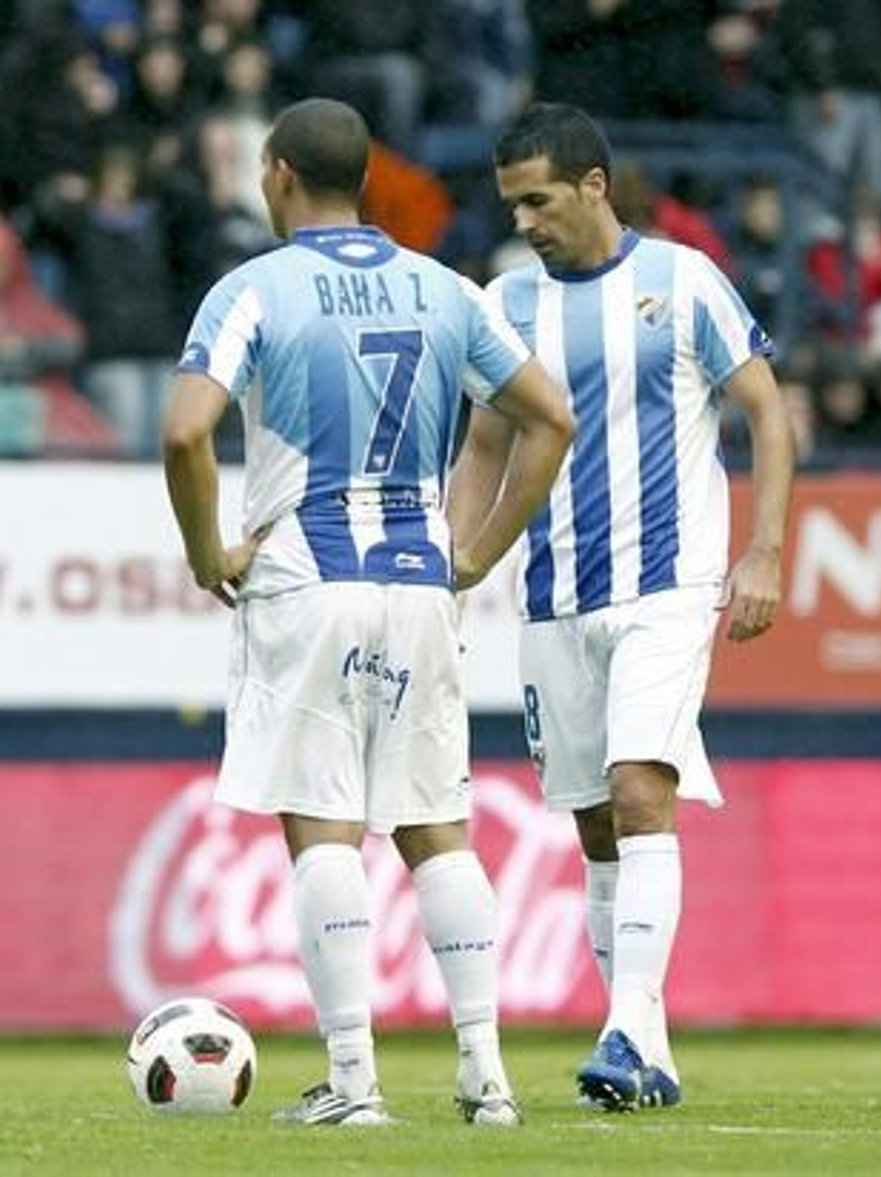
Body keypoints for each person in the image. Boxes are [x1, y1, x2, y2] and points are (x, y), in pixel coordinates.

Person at [162, 98, 576, 1127]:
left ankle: (353, 1082)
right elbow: (550, 418)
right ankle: (487, 1080)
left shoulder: (251, 289)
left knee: (326, 831)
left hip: (309, 572)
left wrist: (206, 550)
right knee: (440, 830)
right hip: (420, 579)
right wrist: (475, 552)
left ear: (278, 174)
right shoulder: (448, 290)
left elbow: (182, 434)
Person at [448, 102, 795, 1113]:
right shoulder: (504, 303)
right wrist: (458, 566)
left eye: (541, 200)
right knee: (598, 824)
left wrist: (765, 552)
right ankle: (643, 1044)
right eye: (513, 204)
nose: (526, 220)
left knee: (643, 785)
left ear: (595, 186)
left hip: (668, 582)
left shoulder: (683, 281)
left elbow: (768, 411)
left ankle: (626, 1027)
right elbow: (481, 445)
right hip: (552, 596)